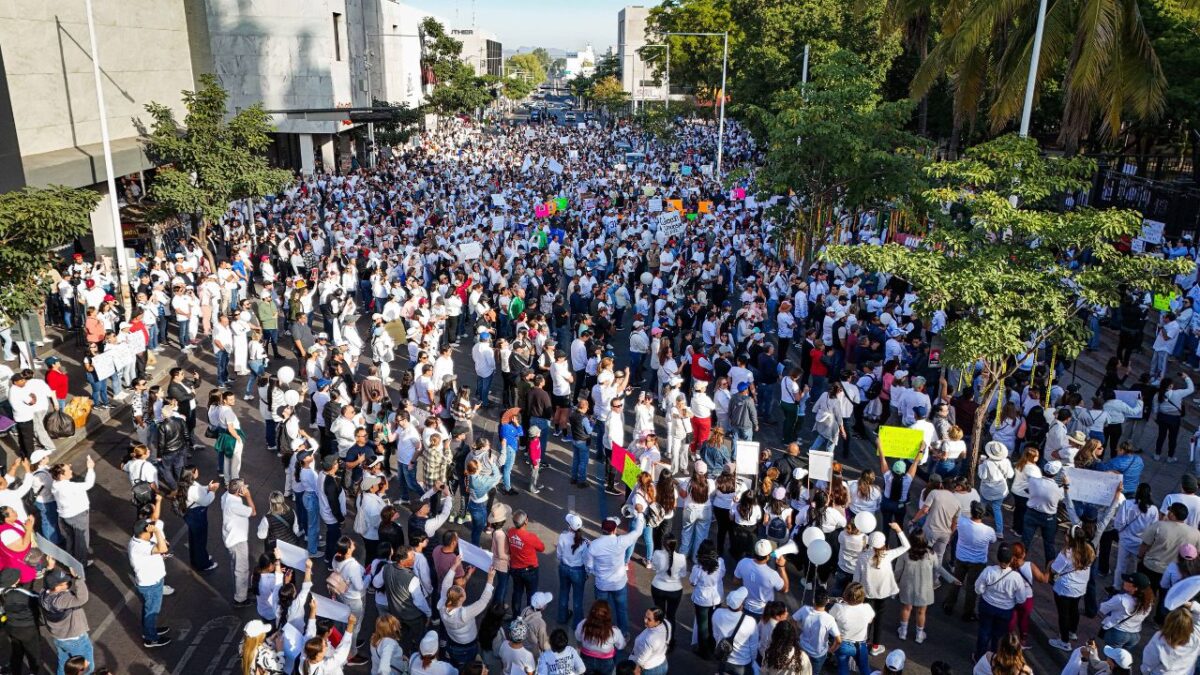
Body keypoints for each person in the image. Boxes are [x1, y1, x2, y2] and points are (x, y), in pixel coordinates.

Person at [585, 514, 645, 637]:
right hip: (619, 583)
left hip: (602, 584)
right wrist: (639, 514)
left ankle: (602, 634)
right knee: (621, 610)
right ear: (614, 530)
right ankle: (623, 634)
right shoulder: (621, 541)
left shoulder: (594, 545)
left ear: (602, 529)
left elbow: (589, 566)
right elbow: (638, 531)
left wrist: (598, 573)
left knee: (601, 612)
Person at [894, 528, 957, 644]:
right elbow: (939, 568)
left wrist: (894, 583)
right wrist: (952, 579)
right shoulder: (930, 554)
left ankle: (903, 632)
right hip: (924, 589)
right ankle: (919, 635)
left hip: (907, 587)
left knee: (906, 608)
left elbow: (898, 571)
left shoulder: (905, 553)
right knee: (921, 612)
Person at [855, 523, 908, 656]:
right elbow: (906, 546)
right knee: (879, 619)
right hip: (883, 594)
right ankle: (875, 646)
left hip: (866, 593)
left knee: (867, 619)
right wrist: (899, 530)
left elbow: (856, 578)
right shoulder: (887, 555)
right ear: (883, 543)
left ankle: (863, 642)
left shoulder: (862, 556)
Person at [437, 556, 495, 669]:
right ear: (460, 600)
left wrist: (454, 566)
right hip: (467, 645)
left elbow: (445, 585)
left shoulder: (442, 604)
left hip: (453, 642)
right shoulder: (464, 614)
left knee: (456, 664)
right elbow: (483, 602)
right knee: (469, 665)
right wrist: (490, 579)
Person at [942, 501, 997, 621]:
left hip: (961, 558)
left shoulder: (962, 522)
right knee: (972, 588)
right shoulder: (989, 531)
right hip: (978, 562)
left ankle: (949, 605)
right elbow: (993, 541)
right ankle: (968, 613)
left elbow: (954, 522)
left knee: (956, 582)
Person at [1048, 526, 1096, 652]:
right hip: (1080, 587)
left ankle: (1064, 641)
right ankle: (1072, 631)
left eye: (1066, 534)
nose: (1065, 536)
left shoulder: (1066, 553)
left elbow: (1054, 570)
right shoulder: (1090, 550)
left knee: (1063, 614)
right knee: (1074, 609)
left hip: (1065, 588)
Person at [41, 562, 93, 675]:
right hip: (74, 639)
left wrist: (50, 569)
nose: (69, 584)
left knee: (63, 662)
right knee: (85, 667)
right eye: (65, 583)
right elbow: (82, 599)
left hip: (59, 637)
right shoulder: (62, 600)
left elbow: (47, 581)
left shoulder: (44, 593)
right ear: (57, 586)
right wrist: (79, 579)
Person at [128, 518, 172, 648]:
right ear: (145, 532)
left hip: (151, 581)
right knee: (151, 611)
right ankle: (150, 638)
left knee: (149, 609)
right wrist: (158, 532)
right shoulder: (140, 546)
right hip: (150, 584)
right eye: (150, 531)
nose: (152, 533)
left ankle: (149, 629)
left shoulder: (138, 539)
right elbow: (163, 549)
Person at [50, 456, 96, 569]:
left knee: (70, 539)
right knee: (81, 541)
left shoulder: (55, 485)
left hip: (64, 516)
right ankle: (80, 565)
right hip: (78, 516)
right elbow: (88, 484)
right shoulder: (70, 486)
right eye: (68, 470)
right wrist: (90, 468)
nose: (71, 471)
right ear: (61, 475)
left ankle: (70, 561)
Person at [222, 478, 257, 608]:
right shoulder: (235, 505)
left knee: (235, 566)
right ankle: (240, 598)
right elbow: (253, 512)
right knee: (241, 569)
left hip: (230, 538)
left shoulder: (226, 497)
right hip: (238, 540)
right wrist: (248, 496)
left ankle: (241, 589)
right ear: (239, 491)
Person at [1098, 572, 1154, 652]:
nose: (1125, 581)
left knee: (1111, 658)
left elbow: (1102, 609)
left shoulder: (1121, 599)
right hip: (1135, 635)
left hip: (1118, 634)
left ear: (1135, 588)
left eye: (1129, 582)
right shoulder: (1149, 601)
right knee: (1122, 657)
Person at [0, 567, 40, 675]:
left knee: (17, 651)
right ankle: (33, 672)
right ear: (15, 581)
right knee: (33, 652)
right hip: (28, 629)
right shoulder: (22, 593)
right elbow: (39, 599)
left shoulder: (2, 593)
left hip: (11, 627)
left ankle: (15, 671)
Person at [650, 533, 687, 650]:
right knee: (671, 616)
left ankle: (657, 640)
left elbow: (654, 568)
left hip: (658, 587)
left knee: (659, 615)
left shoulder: (657, 554)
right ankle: (670, 640)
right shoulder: (681, 558)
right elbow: (683, 574)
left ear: (663, 543)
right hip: (675, 590)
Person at [1141, 601, 1200, 674]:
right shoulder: (1196, 635)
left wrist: (1145, 672)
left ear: (1168, 621)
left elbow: (1149, 661)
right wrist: (1191, 605)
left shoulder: (1160, 637)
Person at [690, 540, 725, 659]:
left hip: (702, 600)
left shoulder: (698, 568)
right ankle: (712, 646)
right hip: (716, 598)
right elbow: (723, 574)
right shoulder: (720, 563)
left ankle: (704, 651)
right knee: (713, 623)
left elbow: (692, 582)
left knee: (703, 626)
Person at [829, 582, 873, 675]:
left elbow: (830, 620)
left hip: (843, 644)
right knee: (865, 669)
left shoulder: (838, 607)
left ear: (845, 594)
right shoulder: (867, 608)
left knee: (843, 668)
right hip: (861, 645)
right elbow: (870, 620)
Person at [793, 588, 840, 674]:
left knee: (799, 671)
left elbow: (793, 620)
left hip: (802, 647)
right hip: (819, 654)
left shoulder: (804, 609)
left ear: (813, 600)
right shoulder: (829, 619)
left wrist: (796, 635)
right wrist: (831, 650)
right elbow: (838, 640)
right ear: (826, 602)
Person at [712, 587, 757, 675]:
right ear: (741, 604)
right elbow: (753, 647)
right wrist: (752, 661)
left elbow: (715, 635)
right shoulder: (750, 621)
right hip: (742, 663)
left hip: (723, 658)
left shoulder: (717, 613)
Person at [508, 509, 546, 613]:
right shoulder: (530, 537)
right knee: (531, 594)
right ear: (525, 521)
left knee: (517, 592)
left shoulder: (510, 532)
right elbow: (542, 548)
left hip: (515, 568)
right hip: (530, 571)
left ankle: (515, 616)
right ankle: (530, 616)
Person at [575, 600, 625, 675]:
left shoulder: (583, 624)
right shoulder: (614, 631)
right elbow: (621, 646)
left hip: (586, 659)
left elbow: (578, 637)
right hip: (606, 661)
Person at [556, 513, 588, 626]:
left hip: (564, 568)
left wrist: (562, 561)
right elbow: (586, 560)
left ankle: (562, 617)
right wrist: (587, 572)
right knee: (577, 599)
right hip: (578, 571)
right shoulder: (584, 542)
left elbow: (559, 554)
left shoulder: (562, 536)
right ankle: (577, 624)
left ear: (569, 527)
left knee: (563, 593)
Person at [631, 607, 671, 675]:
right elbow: (668, 639)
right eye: (645, 617)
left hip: (650, 670)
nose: (645, 620)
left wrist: (636, 669)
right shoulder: (666, 623)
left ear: (657, 622)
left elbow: (642, 659)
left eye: (649, 619)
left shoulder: (650, 639)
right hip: (663, 663)